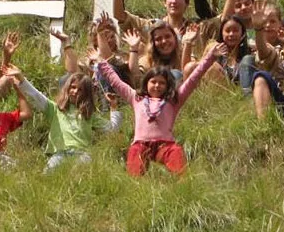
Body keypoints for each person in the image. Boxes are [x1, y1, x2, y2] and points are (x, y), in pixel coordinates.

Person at [95, 41, 226, 177]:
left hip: (165, 145)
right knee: (134, 154)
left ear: (167, 86)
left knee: (176, 153)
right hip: (141, 144)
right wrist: (101, 63)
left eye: (162, 83)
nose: (157, 85)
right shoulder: (136, 98)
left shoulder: (173, 101)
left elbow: (193, 79)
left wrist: (211, 57)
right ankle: (135, 183)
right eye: (153, 82)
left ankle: (182, 184)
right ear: (146, 83)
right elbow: (116, 82)